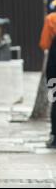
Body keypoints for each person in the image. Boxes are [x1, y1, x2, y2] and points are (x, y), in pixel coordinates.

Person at [39, 12, 56, 148]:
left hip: (54, 69)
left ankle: (54, 136)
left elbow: (44, 44)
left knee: (55, 102)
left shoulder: (51, 19)